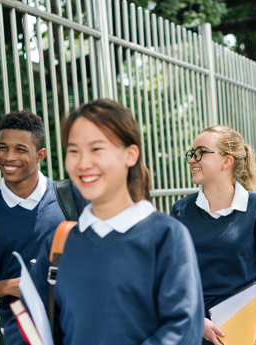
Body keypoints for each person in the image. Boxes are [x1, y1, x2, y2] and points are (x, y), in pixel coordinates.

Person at [15, 99, 204, 345]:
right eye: (74, 151)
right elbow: (28, 326)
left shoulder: (167, 236)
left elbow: (183, 329)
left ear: (130, 155)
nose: (83, 163)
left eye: (97, 149)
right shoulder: (59, 243)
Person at [0, 110, 85, 339]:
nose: (8, 157)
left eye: (20, 149)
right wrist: (9, 287)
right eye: (3, 147)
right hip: (20, 333)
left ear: (40, 155)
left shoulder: (74, 196)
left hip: (77, 328)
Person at [170, 125, 256, 345]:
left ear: (226, 161)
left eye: (201, 152)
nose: (193, 159)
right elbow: (168, 274)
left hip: (247, 332)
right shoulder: (181, 210)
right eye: (192, 154)